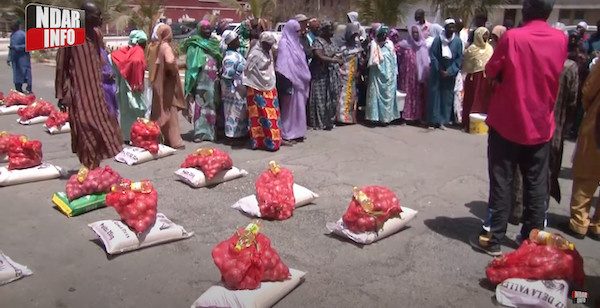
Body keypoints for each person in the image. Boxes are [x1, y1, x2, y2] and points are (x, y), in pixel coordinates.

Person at [470, 0, 567, 256]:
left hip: (507, 123)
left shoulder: (513, 38)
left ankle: (494, 236)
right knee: (536, 184)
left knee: (502, 180)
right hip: (540, 125)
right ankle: (532, 238)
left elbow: (491, 70)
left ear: (526, 10)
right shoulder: (560, 39)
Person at [55, 1, 123, 169]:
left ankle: (95, 166)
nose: (100, 18)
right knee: (85, 128)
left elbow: (100, 57)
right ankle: (90, 167)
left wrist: (108, 72)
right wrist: (61, 95)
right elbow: (61, 66)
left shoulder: (96, 34)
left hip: (97, 92)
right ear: (84, 17)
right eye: (96, 15)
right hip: (79, 92)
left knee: (101, 127)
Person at [568, 60, 600, 241]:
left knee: (587, 173)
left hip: (598, 123)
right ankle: (598, 225)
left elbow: (589, 89)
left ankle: (580, 222)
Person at [182, 20, 223, 143]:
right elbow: (191, 65)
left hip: (213, 81)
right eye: (205, 28)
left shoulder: (214, 43)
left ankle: (211, 133)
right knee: (200, 106)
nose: (208, 31)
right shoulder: (194, 44)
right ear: (199, 30)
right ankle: (200, 133)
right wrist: (191, 83)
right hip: (200, 82)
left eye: (209, 28)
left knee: (212, 105)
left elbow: (219, 59)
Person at [242, 32, 281, 151]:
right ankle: (259, 142)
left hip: (269, 87)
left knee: (272, 115)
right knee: (258, 117)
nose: (270, 46)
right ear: (262, 42)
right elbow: (247, 71)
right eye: (268, 44)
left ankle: (274, 141)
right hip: (255, 89)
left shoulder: (267, 51)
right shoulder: (255, 54)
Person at [149, 25, 186, 149]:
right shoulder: (166, 47)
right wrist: (174, 69)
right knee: (171, 109)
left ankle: (162, 138)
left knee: (162, 108)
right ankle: (175, 141)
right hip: (168, 82)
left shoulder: (158, 46)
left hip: (160, 81)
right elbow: (170, 61)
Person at [276, 19, 311, 143]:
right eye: (295, 31)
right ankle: (287, 134)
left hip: (301, 82)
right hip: (290, 82)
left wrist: (302, 75)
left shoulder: (298, 44)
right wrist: (293, 77)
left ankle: (298, 132)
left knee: (300, 108)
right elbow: (283, 65)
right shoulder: (284, 44)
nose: (298, 33)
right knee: (289, 109)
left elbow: (302, 62)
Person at [110, 30, 148, 142]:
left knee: (125, 112)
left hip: (123, 85)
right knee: (136, 111)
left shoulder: (125, 51)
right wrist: (137, 81)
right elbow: (136, 62)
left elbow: (112, 59)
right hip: (132, 86)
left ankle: (127, 136)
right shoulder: (138, 51)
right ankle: (136, 136)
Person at [427, 19, 463, 130]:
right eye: (449, 27)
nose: (451, 29)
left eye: (453, 27)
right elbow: (433, 55)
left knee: (446, 97)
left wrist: (450, 71)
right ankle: (433, 121)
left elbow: (459, 58)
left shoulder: (457, 41)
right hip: (437, 72)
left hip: (449, 74)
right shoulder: (438, 40)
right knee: (435, 96)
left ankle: (442, 121)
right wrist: (439, 69)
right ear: (445, 28)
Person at [308, 21, 342, 130]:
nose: (332, 32)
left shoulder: (332, 41)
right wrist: (333, 60)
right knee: (320, 99)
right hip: (320, 75)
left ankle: (329, 121)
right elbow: (320, 56)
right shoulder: (318, 41)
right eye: (330, 30)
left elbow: (337, 52)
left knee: (332, 98)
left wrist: (336, 58)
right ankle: (319, 122)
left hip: (332, 75)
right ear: (325, 31)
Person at [366, 25, 400, 124]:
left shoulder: (389, 44)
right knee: (375, 95)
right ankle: (374, 118)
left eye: (385, 35)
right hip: (376, 74)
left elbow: (394, 58)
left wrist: (395, 72)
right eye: (381, 34)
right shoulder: (373, 44)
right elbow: (371, 59)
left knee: (388, 95)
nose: (384, 37)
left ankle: (386, 118)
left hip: (389, 75)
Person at [461, 27, 493, 130]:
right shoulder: (471, 49)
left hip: (486, 79)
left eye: (487, 35)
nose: (485, 37)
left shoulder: (489, 48)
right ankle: (468, 123)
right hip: (473, 78)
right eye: (483, 35)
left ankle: (483, 124)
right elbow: (467, 64)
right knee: (472, 99)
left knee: (484, 100)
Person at [398, 25, 429, 123]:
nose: (415, 34)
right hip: (406, 77)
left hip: (418, 77)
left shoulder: (423, 46)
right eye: (413, 32)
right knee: (407, 96)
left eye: (417, 32)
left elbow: (425, 62)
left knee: (417, 96)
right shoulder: (404, 45)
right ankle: (405, 116)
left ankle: (417, 116)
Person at [220, 31, 248, 139]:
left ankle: (239, 133)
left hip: (239, 87)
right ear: (231, 43)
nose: (239, 42)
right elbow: (227, 75)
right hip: (233, 89)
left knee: (239, 111)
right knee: (233, 112)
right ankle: (233, 136)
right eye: (236, 40)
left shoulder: (235, 55)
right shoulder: (230, 58)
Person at [337, 23, 362, 124]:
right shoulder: (341, 44)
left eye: (355, 35)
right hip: (344, 74)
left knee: (352, 97)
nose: (353, 37)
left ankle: (350, 118)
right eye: (352, 35)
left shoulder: (357, 45)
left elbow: (360, 59)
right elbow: (337, 58)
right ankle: (341, 118)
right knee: (342, 97)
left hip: (353, 76)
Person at [7, 21, 32, 94]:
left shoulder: (23, 34)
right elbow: (11, 47)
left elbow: (28, 45)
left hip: (23, 58)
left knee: (26, 73)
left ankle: (29, 89)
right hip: (15, 58)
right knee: (17, 75)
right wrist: (9, 58)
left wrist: (17, 47)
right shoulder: (12, 35)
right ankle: (18, 90)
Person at [100, 46, 118, 119]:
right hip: (103, 85)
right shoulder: (95, 51)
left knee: (114, 111)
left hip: (111, 84)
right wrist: (107, 74)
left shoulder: (102, 51)